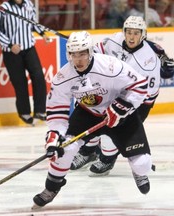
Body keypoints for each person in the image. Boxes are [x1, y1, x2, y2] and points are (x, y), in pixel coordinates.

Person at [32, 30, 152, 208]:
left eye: (82, 53)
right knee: (64, 149)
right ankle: (51, 188)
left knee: (142, 164)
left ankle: (139, 172)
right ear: (68, 54)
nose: (78, 59)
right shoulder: (63, 77)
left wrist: (122, 106)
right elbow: (57, 110)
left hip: (120, 115)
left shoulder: (111, 66)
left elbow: (140, 85)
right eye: (74, 54)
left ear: (90, 52)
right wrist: (54, 135)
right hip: (88, 113)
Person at [70, 16, 163, 176]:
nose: (131, 36)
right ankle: (88, 151)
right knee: (89, 114)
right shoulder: (115, 40)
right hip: (111, 90)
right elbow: (97, 54)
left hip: (138, 101)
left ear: (143, 35)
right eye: (128, 32)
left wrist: (123, 110)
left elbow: (145, 95)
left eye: (136, 33)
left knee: (111, 127)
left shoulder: (148, 61)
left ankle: (107, 159)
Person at [0, 0, 49, 125]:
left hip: (29, 47)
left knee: (38, 76)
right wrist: (10, 45)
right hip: (12, 52)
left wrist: (42, 33)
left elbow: (33, 22)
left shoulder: (28, 4)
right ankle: (24, 112)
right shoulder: (3, 8)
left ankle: (40, 110)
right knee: (20, 82)